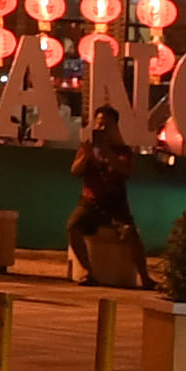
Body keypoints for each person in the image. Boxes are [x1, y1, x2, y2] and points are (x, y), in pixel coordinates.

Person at [66, 107, 140, 281]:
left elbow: (125, 170)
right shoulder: (88, 147)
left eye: (106, 125)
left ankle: (144, 276)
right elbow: (75, 171)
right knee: (73, 227)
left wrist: (108, 153)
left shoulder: (122, 150)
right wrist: (86, 156)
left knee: (130, 232)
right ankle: (87, 271)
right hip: (91, 202)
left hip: (115, 203)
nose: (102, 129)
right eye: (99, 125)